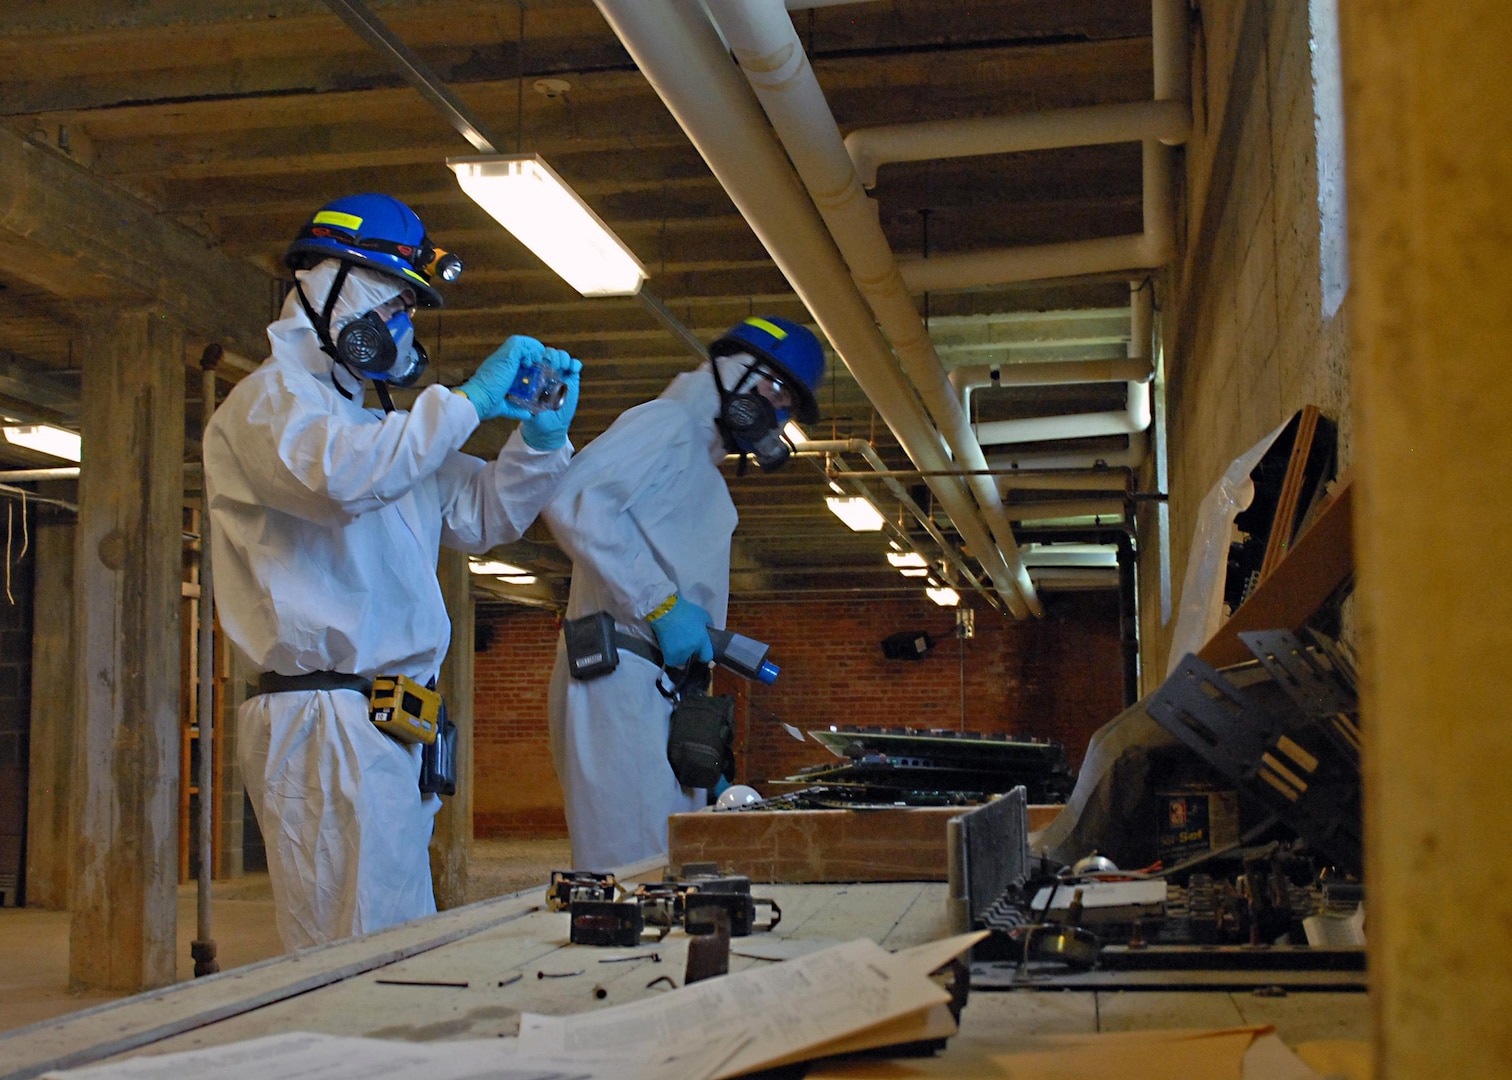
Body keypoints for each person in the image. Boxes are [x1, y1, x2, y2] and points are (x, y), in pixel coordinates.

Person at [203, 193, 583, 950]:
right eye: (397, 303)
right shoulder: (269, 407)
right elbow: (343, 480)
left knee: (395, 936)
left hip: (388, 719)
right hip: (323, 719)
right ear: (329, 291)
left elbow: (484, 515)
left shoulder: (381, 431)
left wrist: (539, 441)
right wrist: (467, 401)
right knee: (348, 949)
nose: (404, 327)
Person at [543, 315, 825, 869]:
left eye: (788, 402)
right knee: (628, 870)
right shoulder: (666, 423)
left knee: (671, 859)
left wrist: (698, 725)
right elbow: (575, 498)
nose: (778, 412)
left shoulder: (700, 464)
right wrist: (662, 604)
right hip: (619, 675)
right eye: (776, 391)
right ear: (736, 371)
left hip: (658, 688)